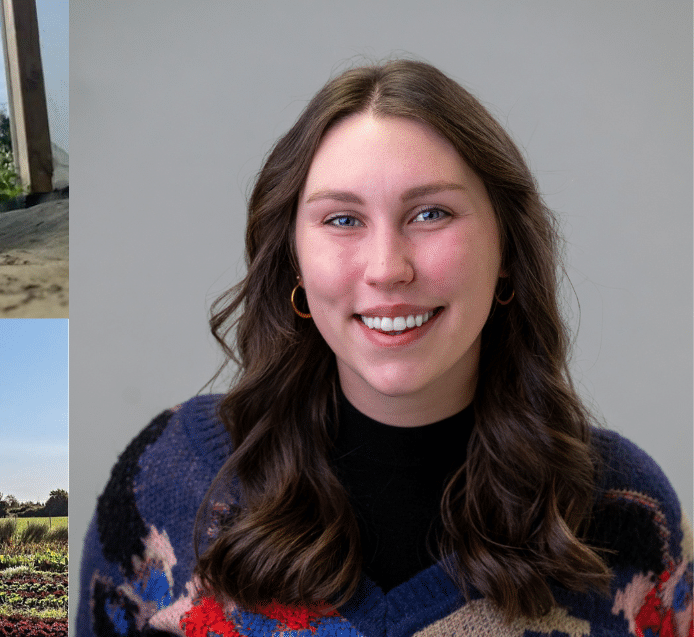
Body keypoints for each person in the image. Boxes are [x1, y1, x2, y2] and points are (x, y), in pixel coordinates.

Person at [77, 59, 691, 637]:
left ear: (506, 251)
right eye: (342, 220)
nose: (387, 269)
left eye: (430, 213)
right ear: (294, 258)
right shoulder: (168, 480)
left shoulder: (627, 512)